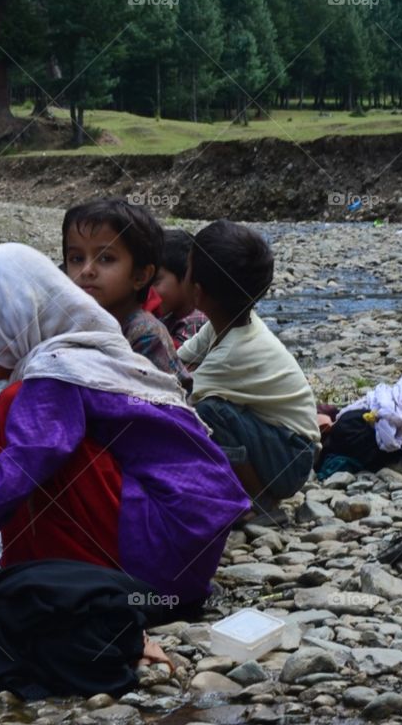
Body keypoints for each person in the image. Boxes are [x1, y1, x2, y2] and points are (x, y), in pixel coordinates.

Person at [0, 243, 249, 607]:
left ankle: (64, 582)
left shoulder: (54, 375)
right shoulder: (86, 354)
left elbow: (5, 487)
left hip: (159, 565)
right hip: (187, 555)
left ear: (9, 318)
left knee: (11, 413)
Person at [179, 219, 319, 513]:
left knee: (207, 411)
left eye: (186, 269)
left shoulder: (234, 351)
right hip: (281, 442)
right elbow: (178, 362)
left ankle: (259, 499)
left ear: (199, 292)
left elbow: (179, 395)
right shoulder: (228, 322)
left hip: (291, 458)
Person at [62, 197, 188, 385]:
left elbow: (158, 405)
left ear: (140, 276)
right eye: (76, 258)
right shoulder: (75, 321)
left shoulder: (144, 335)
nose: (86, 270)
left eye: (106, 259)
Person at [154, 228, 208, 348]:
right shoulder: (169, 316)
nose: (149, 292)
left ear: (187, 277)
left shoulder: (195, 323)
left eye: (155, 281)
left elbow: (173, 362)